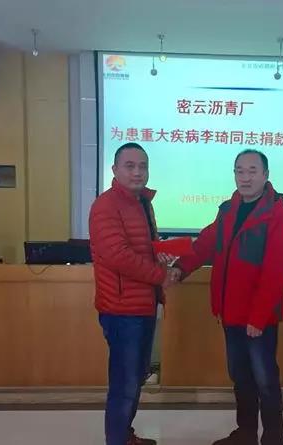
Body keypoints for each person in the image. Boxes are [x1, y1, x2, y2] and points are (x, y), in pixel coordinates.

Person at [173, 149, 283, 445]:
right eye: (239, 171)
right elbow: (204, 244)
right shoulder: (228, 210)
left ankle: (274, 438)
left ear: (265, 175)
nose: (245, 177)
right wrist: (180, 268)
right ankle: (245, 434)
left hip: (258, 318)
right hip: (230, 313)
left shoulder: (277, 215)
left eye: (252, 171)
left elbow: (276, 271)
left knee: (265, 381)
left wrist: (258, 317)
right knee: (240, 378)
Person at [89, 142, 180, 445]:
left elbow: (141, 248)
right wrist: (160, 275)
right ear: (114, 169)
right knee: (124, 384)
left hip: (143, 305)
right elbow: (118, 256)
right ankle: (116, 440)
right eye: (130, 166)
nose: (137, 172)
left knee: (135, 377)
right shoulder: (106, 205)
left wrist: (161, 253)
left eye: (143, 166)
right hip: (121, 309)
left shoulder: (142, 202)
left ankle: (124, 435)